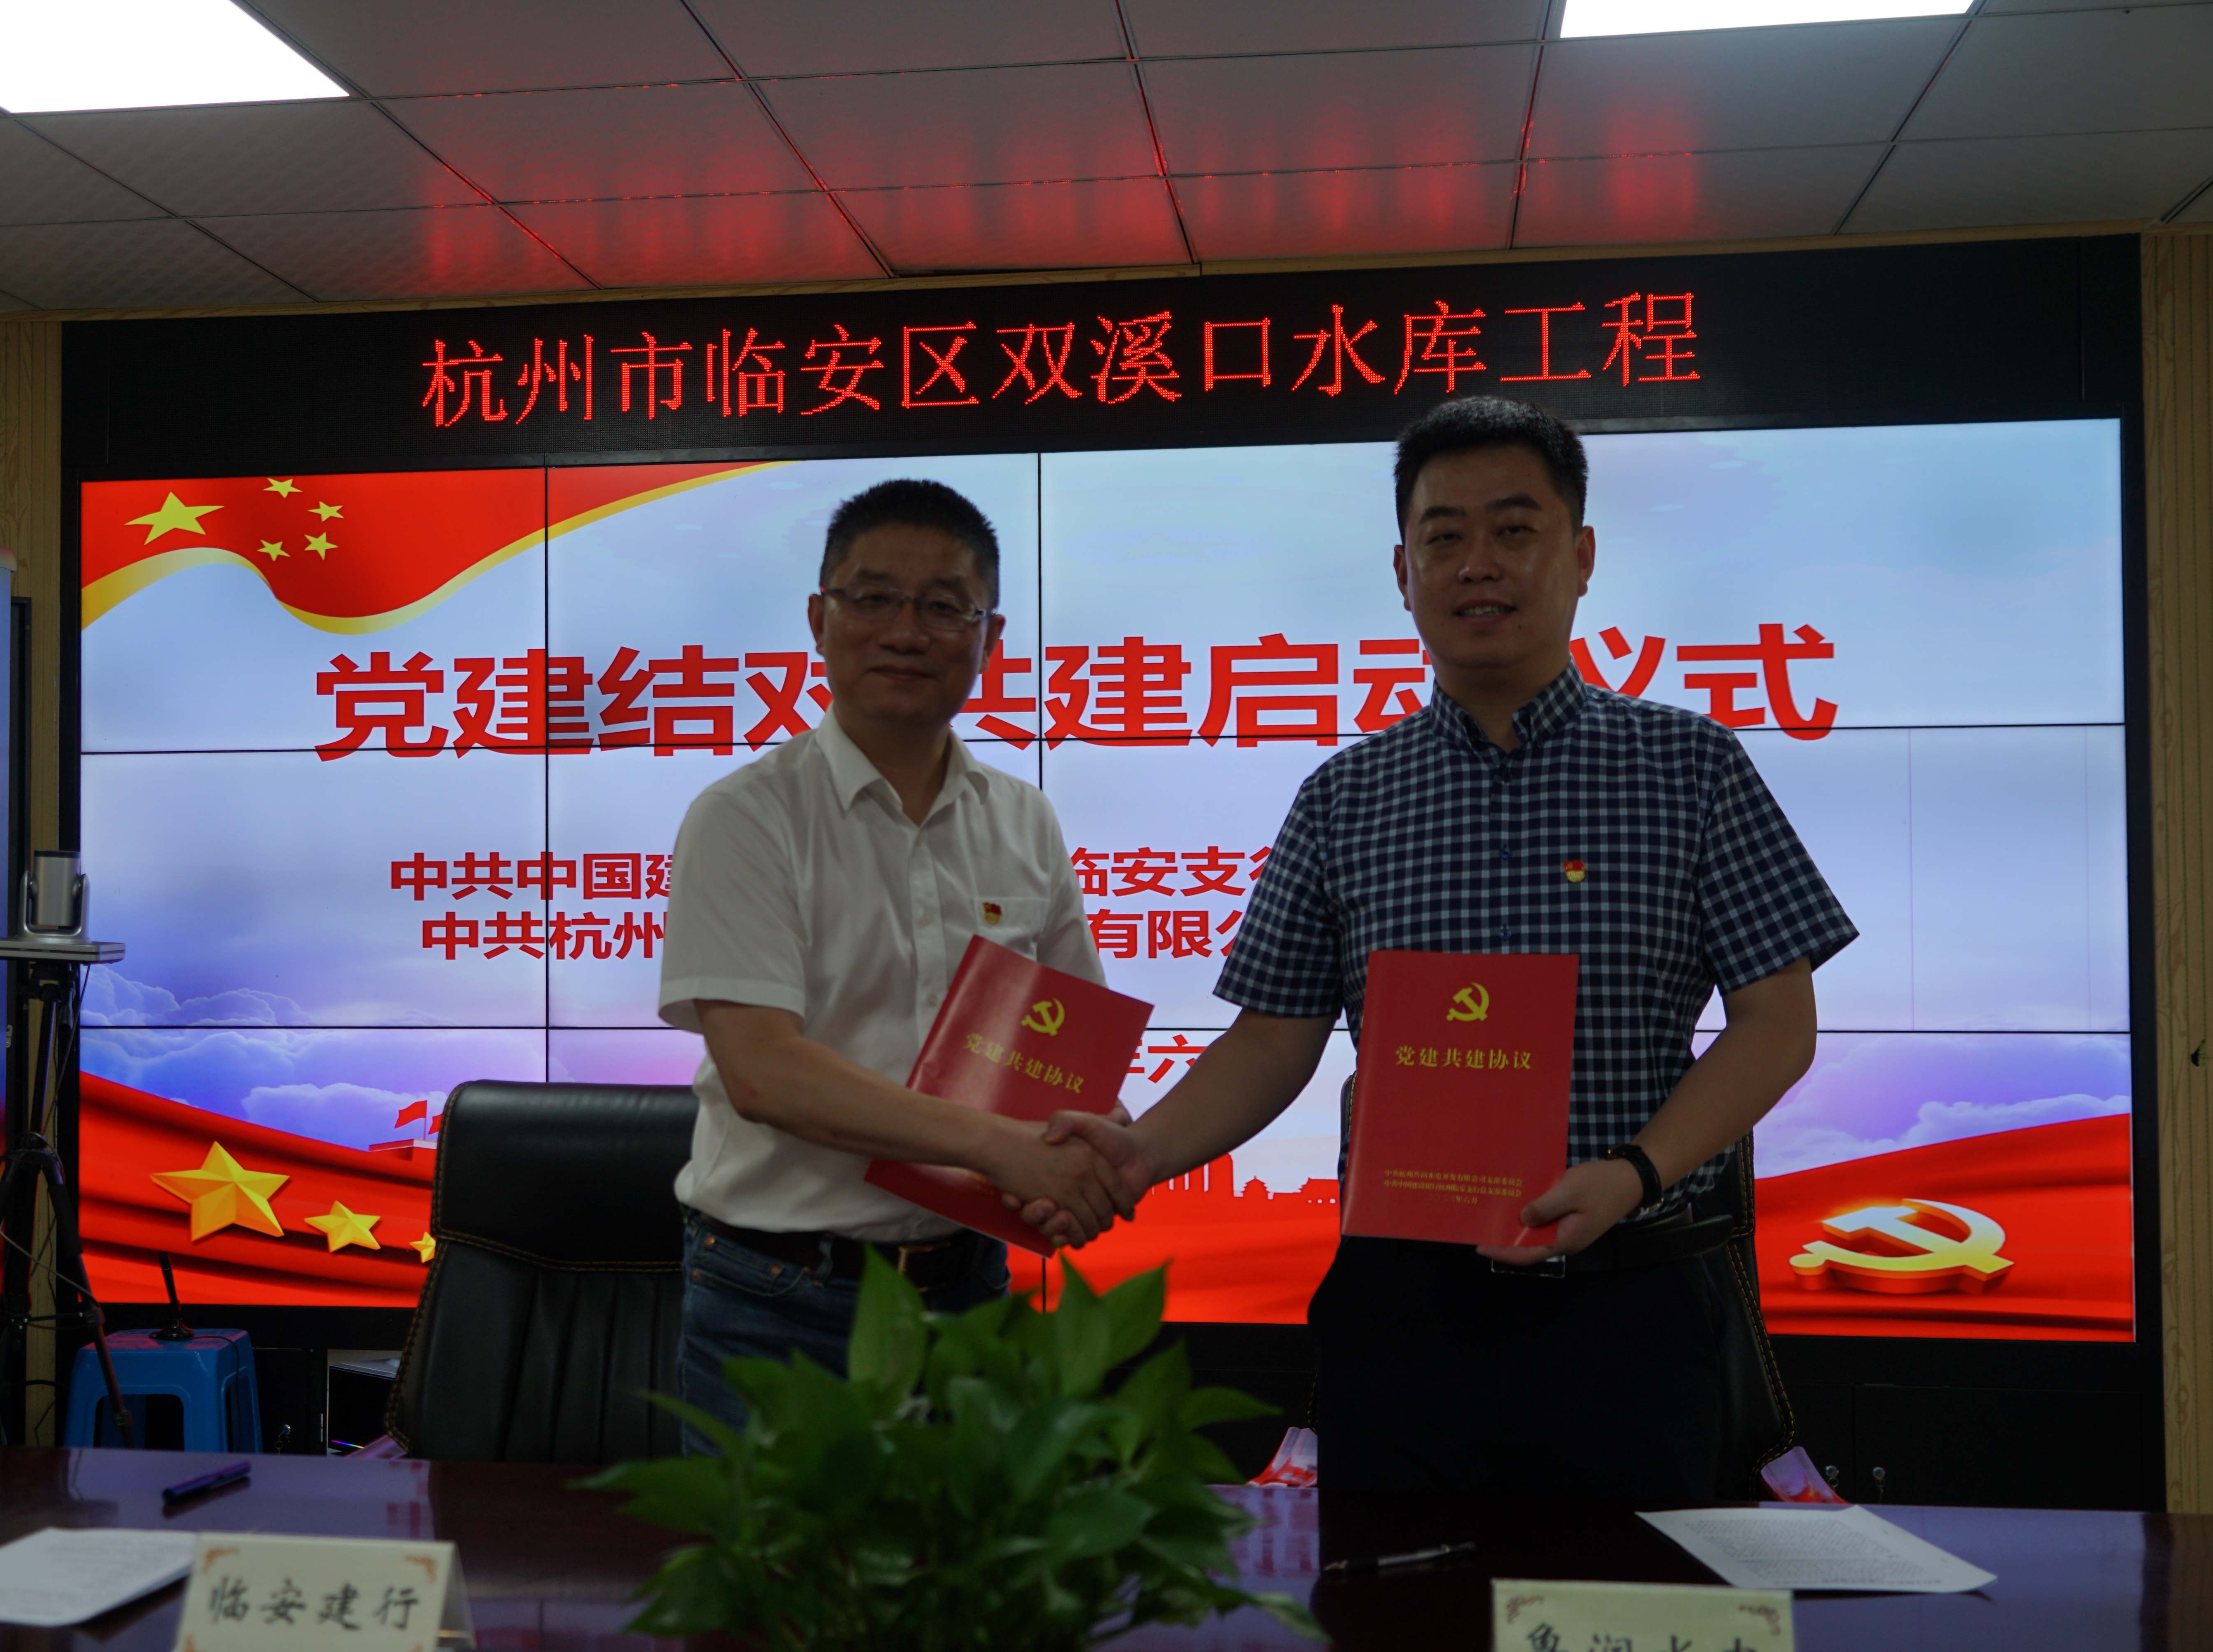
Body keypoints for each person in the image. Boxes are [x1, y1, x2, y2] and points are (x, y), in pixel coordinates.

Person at [1028, 397, 1856, 1502]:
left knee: (1627, 1590)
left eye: (1515, 530)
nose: (1479, 565)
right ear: (1403, 571)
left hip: (1632, 1304)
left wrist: (1635, 1171)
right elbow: (1272, 1039)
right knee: (1393, 1584)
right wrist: (1137, 1157)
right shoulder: (1346, 797)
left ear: (1582, 556)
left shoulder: (1691, 769)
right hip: (1406, 1312)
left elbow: (1777, 1024)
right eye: (1444, 536)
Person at [659, 477, 1133, 1449]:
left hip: (967, 1294)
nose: (906, 632)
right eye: (873, 598)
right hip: (778, 1298)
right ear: (819, 619)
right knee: (769, 1559)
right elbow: (763, 1071)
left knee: (966, 1554)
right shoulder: (745, 817)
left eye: (944, 606)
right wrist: (1000, 1147)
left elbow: (1069, 1053)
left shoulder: (1024, 820)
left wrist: (1092, 1146)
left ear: (990, 638)